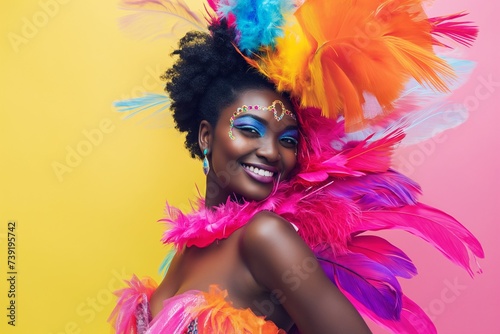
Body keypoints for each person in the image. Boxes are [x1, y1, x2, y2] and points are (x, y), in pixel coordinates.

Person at [110, 0, 483, 333]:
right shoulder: (188, 247)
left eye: (287, 140)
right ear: (206, 136)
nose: (272, 152)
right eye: (249, 129)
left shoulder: (265, 238)